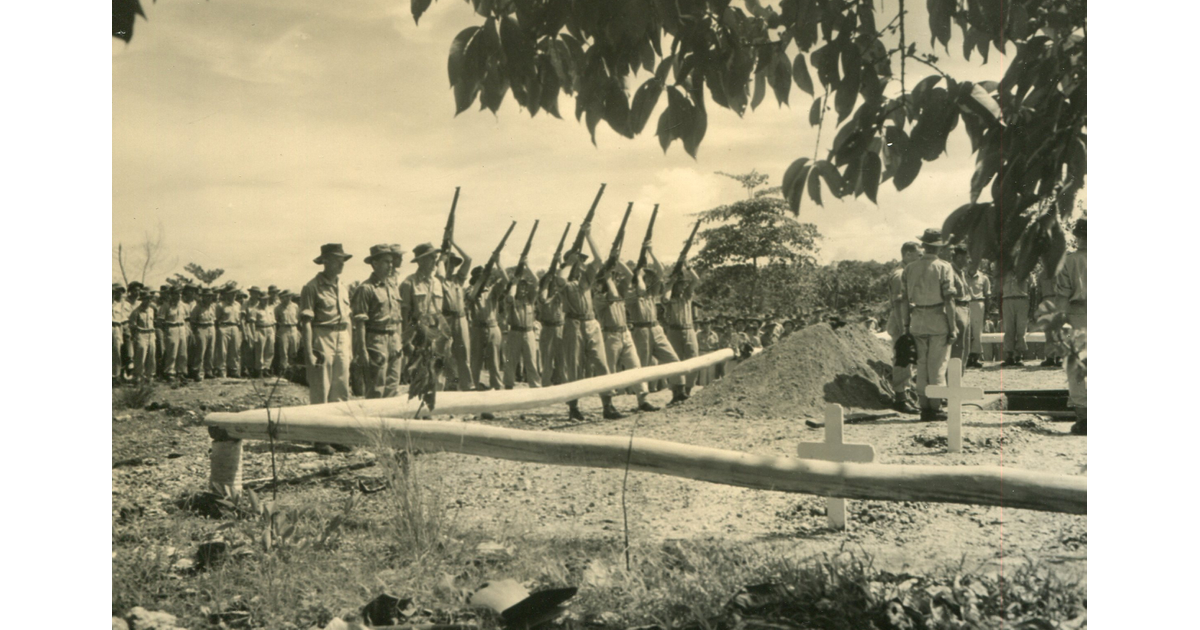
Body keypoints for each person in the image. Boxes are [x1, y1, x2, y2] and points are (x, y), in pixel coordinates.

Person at [560, 225, 623, 421]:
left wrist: (588, 235)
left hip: (591, 323)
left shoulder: (586, 280)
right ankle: (573, 407)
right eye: (579, 261)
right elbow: (560, 280)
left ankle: (608, 405)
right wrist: (569, 263)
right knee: (574, 367)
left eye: (581, 261)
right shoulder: (564, 280)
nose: (582, 264)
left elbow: (599, 260)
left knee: (602, 364)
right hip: (573, 324)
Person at [300, 243, 355, 455]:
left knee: (341, 389)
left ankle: (338, 436)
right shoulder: (311, 287)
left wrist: (350, 346)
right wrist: (308, 352)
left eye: (343, 260)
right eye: (337, 259)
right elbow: (306, 322)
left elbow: (348, 319)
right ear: (325, 261)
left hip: (342, 337)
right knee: (321, 389)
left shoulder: (343, 286)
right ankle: (320, 438)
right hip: (322, 336)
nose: (341, 264)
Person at [899, 229, 958, 421]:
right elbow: (949, 300)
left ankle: (924, 407)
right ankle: (935, 407)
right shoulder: (944, 267)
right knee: (938, 365)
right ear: (939, 247)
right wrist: (953, 327)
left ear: (924, 245)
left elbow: (904, 300)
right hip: (937, 318)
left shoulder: (909, 268)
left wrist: (906, 325)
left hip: (917, 319)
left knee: (921, 365)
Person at [594, 253, 656, 414]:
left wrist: (618, 261)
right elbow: (613, 294)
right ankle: (607, 405)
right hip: (610, 335)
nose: (616, 280)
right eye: (613, 278)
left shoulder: (620, 293)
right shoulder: (600, 297)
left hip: (625, 333)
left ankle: (643, 400)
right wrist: (607, 278)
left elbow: (630, 276)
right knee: (609, 371)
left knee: (635, 367)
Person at [626, 251, 687, 405]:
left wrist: (651, 252)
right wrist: (638, 276)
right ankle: (642, 400)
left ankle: (679, 392)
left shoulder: (651, 294)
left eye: (648, 278)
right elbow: (640, 289)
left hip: (656, 328)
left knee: (673, 359)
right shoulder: (631, 294)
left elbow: (661, 272)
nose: (649, 280)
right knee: (642, 366)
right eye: (645, 277)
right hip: (641, 331)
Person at [353, 244, 405, 399]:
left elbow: (398, 318)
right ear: (375, 264)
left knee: (393, 386)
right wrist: (362, 350)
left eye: (391, 261)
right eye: (386, 262)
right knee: (376, 388)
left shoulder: (393, 286)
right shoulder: (366, 288)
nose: (391, 265)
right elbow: (360, 322)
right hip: (376, 341)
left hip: (394, 340)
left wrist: (399, 341)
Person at [1056, 218, 1087, 434]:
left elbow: (1062, 296)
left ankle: (1084, 417)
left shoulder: (1069, 261)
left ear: (1077, 237)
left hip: (1078, 314)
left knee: (1076, 365)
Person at [886, 241, 921, 414]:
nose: (920, 258)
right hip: (901, 323)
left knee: (907, 361)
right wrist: (904, 331)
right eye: (918, 255)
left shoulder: (907, 272)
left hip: (906, 322)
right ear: (907, 255)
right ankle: (900, 399)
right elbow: (899, 305)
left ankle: (906, 395)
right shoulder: (900, 275)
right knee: (902, 360)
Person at [662, 261, 701, 400]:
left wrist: (688, 267)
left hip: (689, 329)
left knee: (694, 359)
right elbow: (665, 298)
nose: (682, 286)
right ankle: (676, 393)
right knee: (675, 362)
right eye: (679, 284)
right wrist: (671, 283)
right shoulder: (669, 298)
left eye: (683, 284)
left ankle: (687, 391)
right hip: (674, 331)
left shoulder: (687, 296)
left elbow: (696, 280)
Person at [439, 241, 474, 391]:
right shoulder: (438, 280)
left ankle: (467, 385)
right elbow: (439, 274)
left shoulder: (458, 279)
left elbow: (468, 259)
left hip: (461, 318)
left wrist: (453, 242)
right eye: (449, 263)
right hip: (445, 319)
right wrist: (441, 259)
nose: (451, 267)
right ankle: (446, 385)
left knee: (464, 354)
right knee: (444, 353)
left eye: (453, 264)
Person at [504, 265, 542, 390]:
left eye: (525, 286)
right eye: (521, 286)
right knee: (511, 360)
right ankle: (508, 385)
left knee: (531, 360)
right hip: (515, 331)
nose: (523, 289)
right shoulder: (511, 300)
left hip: (529, 332)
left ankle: (535, 386)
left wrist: (527, 265)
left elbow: (537, 282)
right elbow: (510, 296)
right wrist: (514, 283)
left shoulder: (530, 299)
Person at [949, 244, 973, 375]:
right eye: (967, 257)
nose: (969, 260)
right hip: (957, 307)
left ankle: (959, 375)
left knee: (966, 344)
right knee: (958, 345)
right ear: (959, 257)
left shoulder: (961, 272)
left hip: (966, 308)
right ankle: (953, 377)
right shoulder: (950, 271)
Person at [1000, 269, 1032, 366]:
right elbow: (999, 292)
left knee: (1021, 329)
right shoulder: (1003, 274)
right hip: (1007, 301)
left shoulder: (1027, 272)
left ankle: (1018, 356)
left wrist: (1032, 308)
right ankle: (1009, 355)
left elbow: (1032, 290)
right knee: (1008, 329)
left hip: (1022, 300)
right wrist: (1000, 308)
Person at [129, 288, 158, 384]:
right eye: (146, 299)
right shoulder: (136, 312)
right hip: (141, 334)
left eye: (150, 299)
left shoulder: (151, 310)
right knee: (140, 355)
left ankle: (149, 376)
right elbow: (132, 325)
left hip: (151, 334)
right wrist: (136, 334)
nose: (148, 301)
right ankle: (138, 376)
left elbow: (154, 322)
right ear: (142, 300)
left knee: (151, 356)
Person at [966, 262, 991, 368]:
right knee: (966, 331)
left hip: (978, 304)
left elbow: (987, 295)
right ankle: (966, 357)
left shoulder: (984, 278)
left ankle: (975, 357)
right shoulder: (961, 276)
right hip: (965, 304)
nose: (972, 265)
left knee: (977, 332)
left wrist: (987, 312)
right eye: (969, 262)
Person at [189, 287, 218, 380]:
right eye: (207, 296)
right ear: (203, 297)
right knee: (200, 351)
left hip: (211, 327)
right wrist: (196, 332)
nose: (209, 298)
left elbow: (215, 319)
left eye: (210, 296)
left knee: (210, 351)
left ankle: (208, 371)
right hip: (201, 327)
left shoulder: (212, 307)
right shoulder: (197, 307)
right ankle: (196, 371)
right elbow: (192, 321)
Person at [214, 286, 242, 379]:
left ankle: (233, 370)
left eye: (235, 293)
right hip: (224, 327)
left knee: (234, 349)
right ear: (227, 295)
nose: (234, 295)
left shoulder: (237, 305)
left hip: (235, 326)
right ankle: (221, 370)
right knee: (222, 350)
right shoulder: (220, 305)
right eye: (232, 293)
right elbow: (216, 319)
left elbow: (239, 318)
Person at [275, 289, 301, 377]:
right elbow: (276, 320)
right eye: (286, 297)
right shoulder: (278, 308)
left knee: (294, 349)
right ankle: (283, 370)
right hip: (283, 328)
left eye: (289, 296)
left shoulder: (295, 306)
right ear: (282, 298)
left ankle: (292, 370)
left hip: (293, 328)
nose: (288, 298)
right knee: (283, 350)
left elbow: (298, 318)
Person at [113, 283, 129, 385]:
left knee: (116, 352)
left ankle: (115, 376)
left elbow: (124, 320)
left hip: (116, 328)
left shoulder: (119, 305)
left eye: (118, 292)